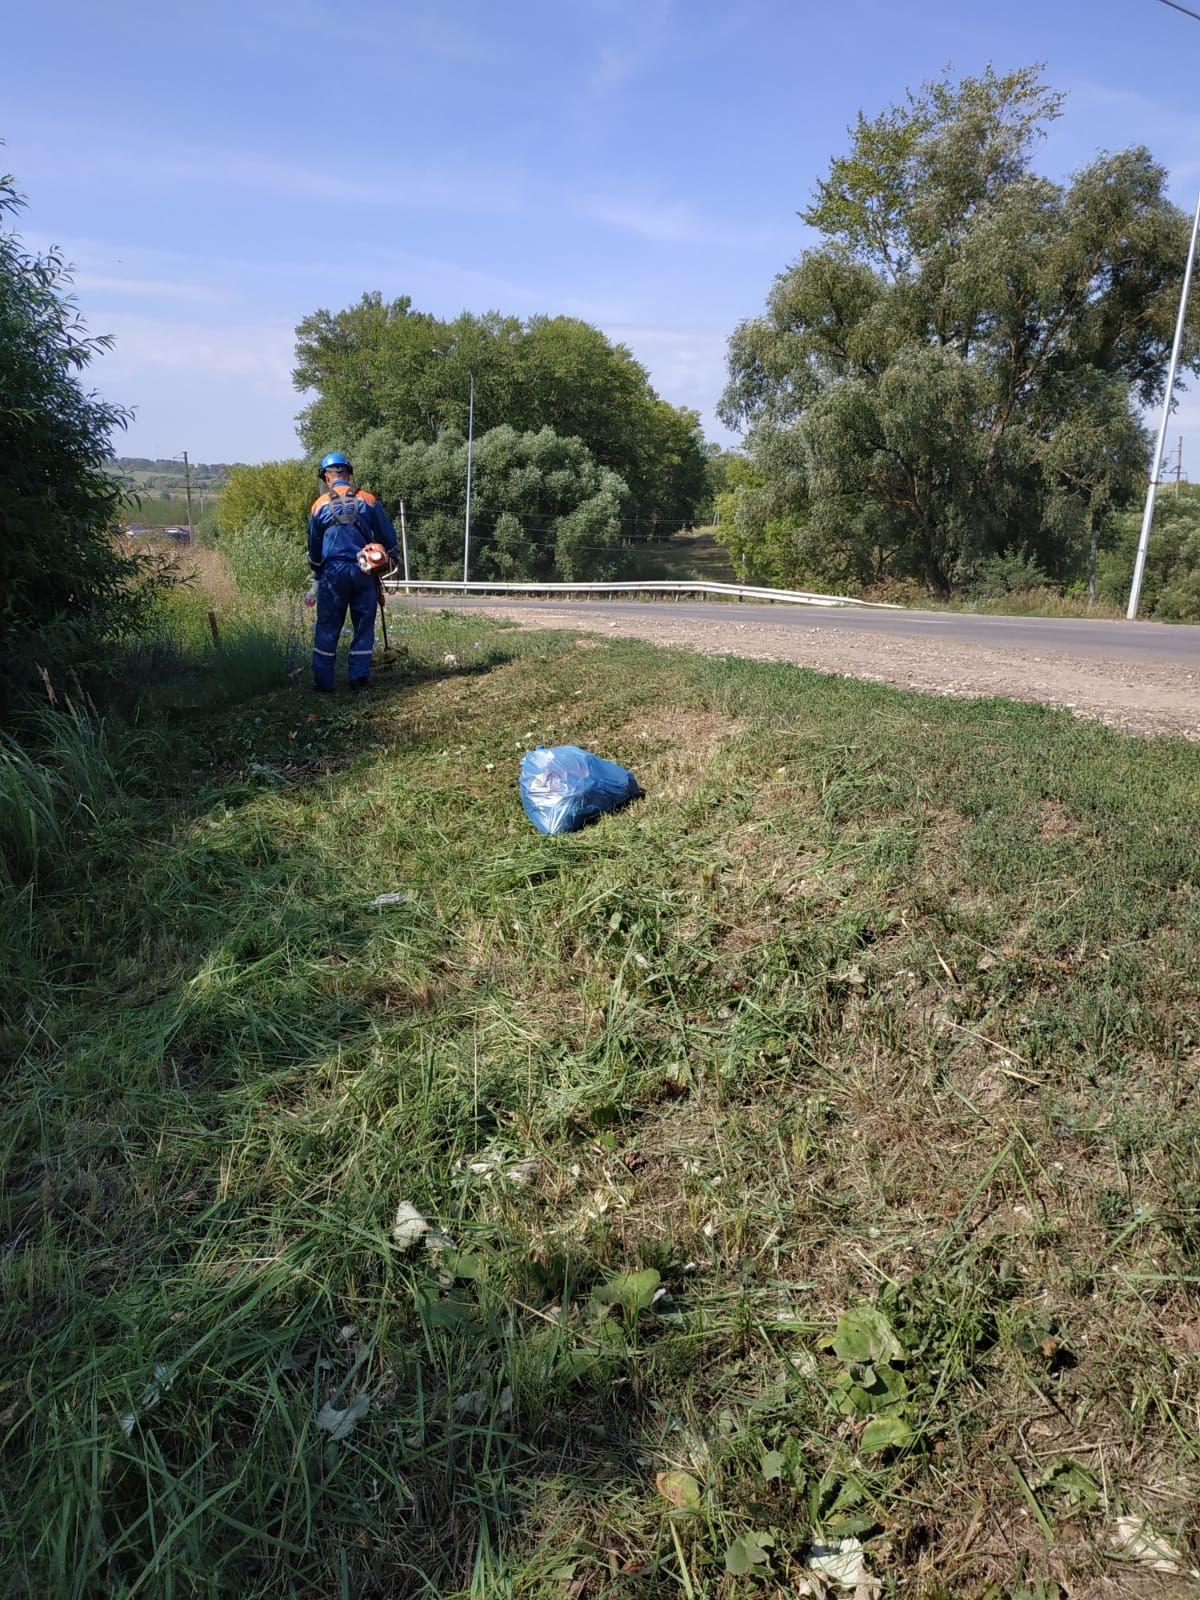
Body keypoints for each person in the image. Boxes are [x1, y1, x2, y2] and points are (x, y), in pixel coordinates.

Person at [306, 452, 400, 692]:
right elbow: (388, 537)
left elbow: (314, 548)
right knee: (363, 624)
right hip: (363, 570)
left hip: (333, 573)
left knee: (327, 626)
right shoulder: (367, 499)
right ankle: (359, 677)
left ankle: (323, 682)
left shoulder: (318, 506)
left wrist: (318, 573)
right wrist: (390, 555)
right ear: (348, 474)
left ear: (327, 477)